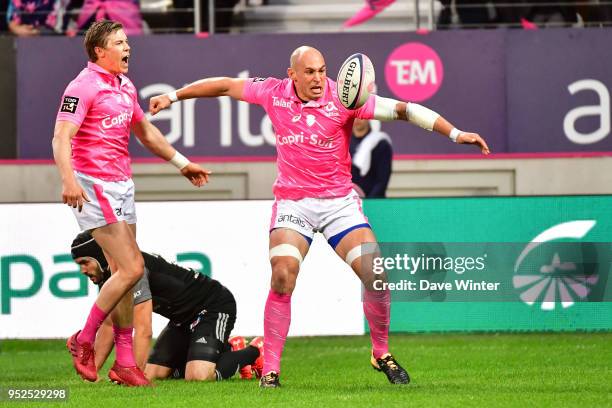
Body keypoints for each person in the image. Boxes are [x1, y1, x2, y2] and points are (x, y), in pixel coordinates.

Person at [149, 45, 490, 388]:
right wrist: (173, 96)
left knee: (377, 275)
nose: (318, 78)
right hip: (294, 204)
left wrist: (456, 133)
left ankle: (381, 353)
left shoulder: (345, 99)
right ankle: (271, 370)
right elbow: (223, 85)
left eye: (322, 71)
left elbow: (405, 109)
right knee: (283, 275)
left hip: (339, 204)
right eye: (310, 72)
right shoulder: (273, 93)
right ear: (292, 74)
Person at [52, 20, 210, 386]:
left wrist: (182, 164)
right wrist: (69, 180)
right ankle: (84, 338)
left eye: (127, 42)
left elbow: (146, 132)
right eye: (119, 43)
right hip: (94, 186)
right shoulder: (82, 86)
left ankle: (125, 363)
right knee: (133, 268)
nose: (127, 48)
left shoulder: (124, 86)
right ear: (99, 51)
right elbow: (61, 136)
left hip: (122, 186)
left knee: (123, 277)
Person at [70, 231, 264, 381]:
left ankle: (254, 351)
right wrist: (92, 372)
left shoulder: (132, 270)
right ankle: (225, 348)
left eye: (85, 262)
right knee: (153, 372)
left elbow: (144, 329)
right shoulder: (112, 278)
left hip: (213, 306)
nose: (82, 270)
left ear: (101, 257)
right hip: (182, 318)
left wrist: (131, 374)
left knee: (198, 376)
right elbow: (110, 325)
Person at [350, 119, 392, 198]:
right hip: (348, 203)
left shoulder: (381, 143)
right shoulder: (343, 142)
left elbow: (382, 180)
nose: (357, 119)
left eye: (361, 115)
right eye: (354, 115)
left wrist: (369, 202)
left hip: (374, 202)